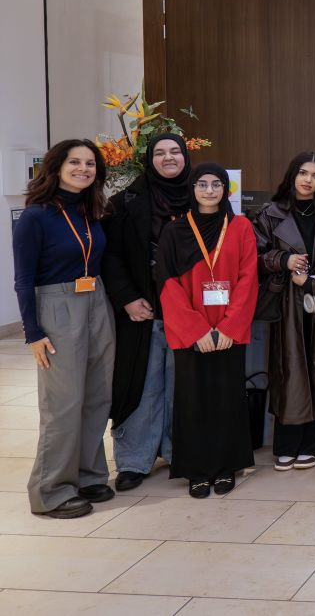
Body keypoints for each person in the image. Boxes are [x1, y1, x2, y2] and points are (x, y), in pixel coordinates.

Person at [13, 140, 114, 518]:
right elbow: (23, 280)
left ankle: (88, 476)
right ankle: (51, 490)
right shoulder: (36, 216)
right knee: (63, 403)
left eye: (90, 164)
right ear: (56, 167)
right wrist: (33, 332)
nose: (83, 169)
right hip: (56, 305)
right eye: (75, 162)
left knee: (96, 396)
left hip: (96, 300)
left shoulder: (93, 211)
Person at [157, 163, 257, 498]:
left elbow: (247, 279)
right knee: (192, 398)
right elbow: (168, 283)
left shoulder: (241, 227)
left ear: (226, 189)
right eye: (202, 184)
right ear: (192, 188)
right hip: (192, 331)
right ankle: (197, 469)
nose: (210, 190)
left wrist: (229, 326)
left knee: (227, 397)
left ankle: (226, 465)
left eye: (217, 184)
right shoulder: (175, 230)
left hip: (230, 328)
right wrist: (196, 329)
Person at [101, 133, 189, 491]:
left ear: (185, 157)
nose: (168, 158)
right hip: (143, 310)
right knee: (142, 383)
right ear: (148, 159)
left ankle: (178, 450)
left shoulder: (204, 198)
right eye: (160, 152)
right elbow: (111, 255)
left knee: (182, 385)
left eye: (175, 152)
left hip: (188, 313)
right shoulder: (125, 202)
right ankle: (135, 460)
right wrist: (127, 298)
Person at [254, 152, 315, 471]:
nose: (308, 181)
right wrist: (283, 261)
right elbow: (254, 258)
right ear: (292, 175)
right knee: (288, 371)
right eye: (303, 173)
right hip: (286, 301)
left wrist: (314, 277)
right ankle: (287, 443)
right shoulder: (269, 214)